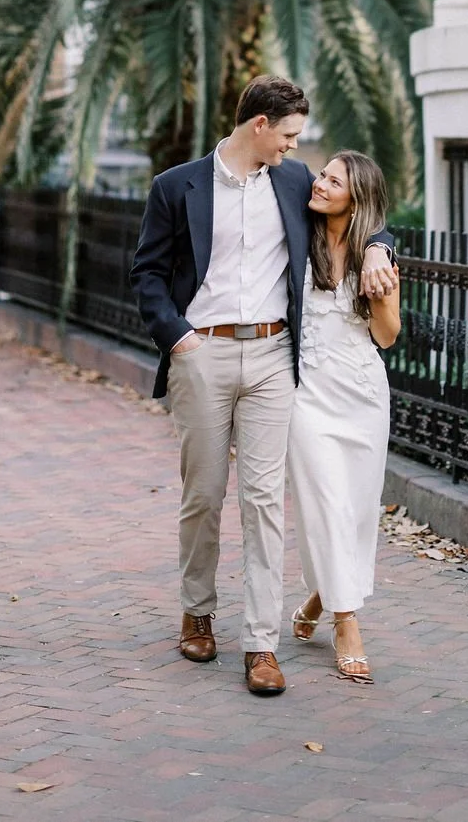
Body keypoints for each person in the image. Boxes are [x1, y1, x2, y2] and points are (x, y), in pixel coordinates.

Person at [129, 75, 396, 696]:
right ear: (259, 126)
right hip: (203, 353)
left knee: (263, 500)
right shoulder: (177, 187)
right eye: (289, 134)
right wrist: (178, 339)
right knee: (204, 493)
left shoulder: (295, 180)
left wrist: (381, 247)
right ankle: (197, 612)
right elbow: (146, 273)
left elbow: (359, 207)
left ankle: (261, 643)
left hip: (276, 355)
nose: (294, 147)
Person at [286, 150, 401, 684]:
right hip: (307, 394)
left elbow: (387, 337)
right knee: (327, 504)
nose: (321, 183)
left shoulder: (373, 256)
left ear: (357, 198)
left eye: (335, 181)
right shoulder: (297, 230)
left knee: (354, 512)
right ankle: (347, 622)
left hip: (362, 395)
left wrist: (382, 285)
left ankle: (320, 594)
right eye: (323, 174)